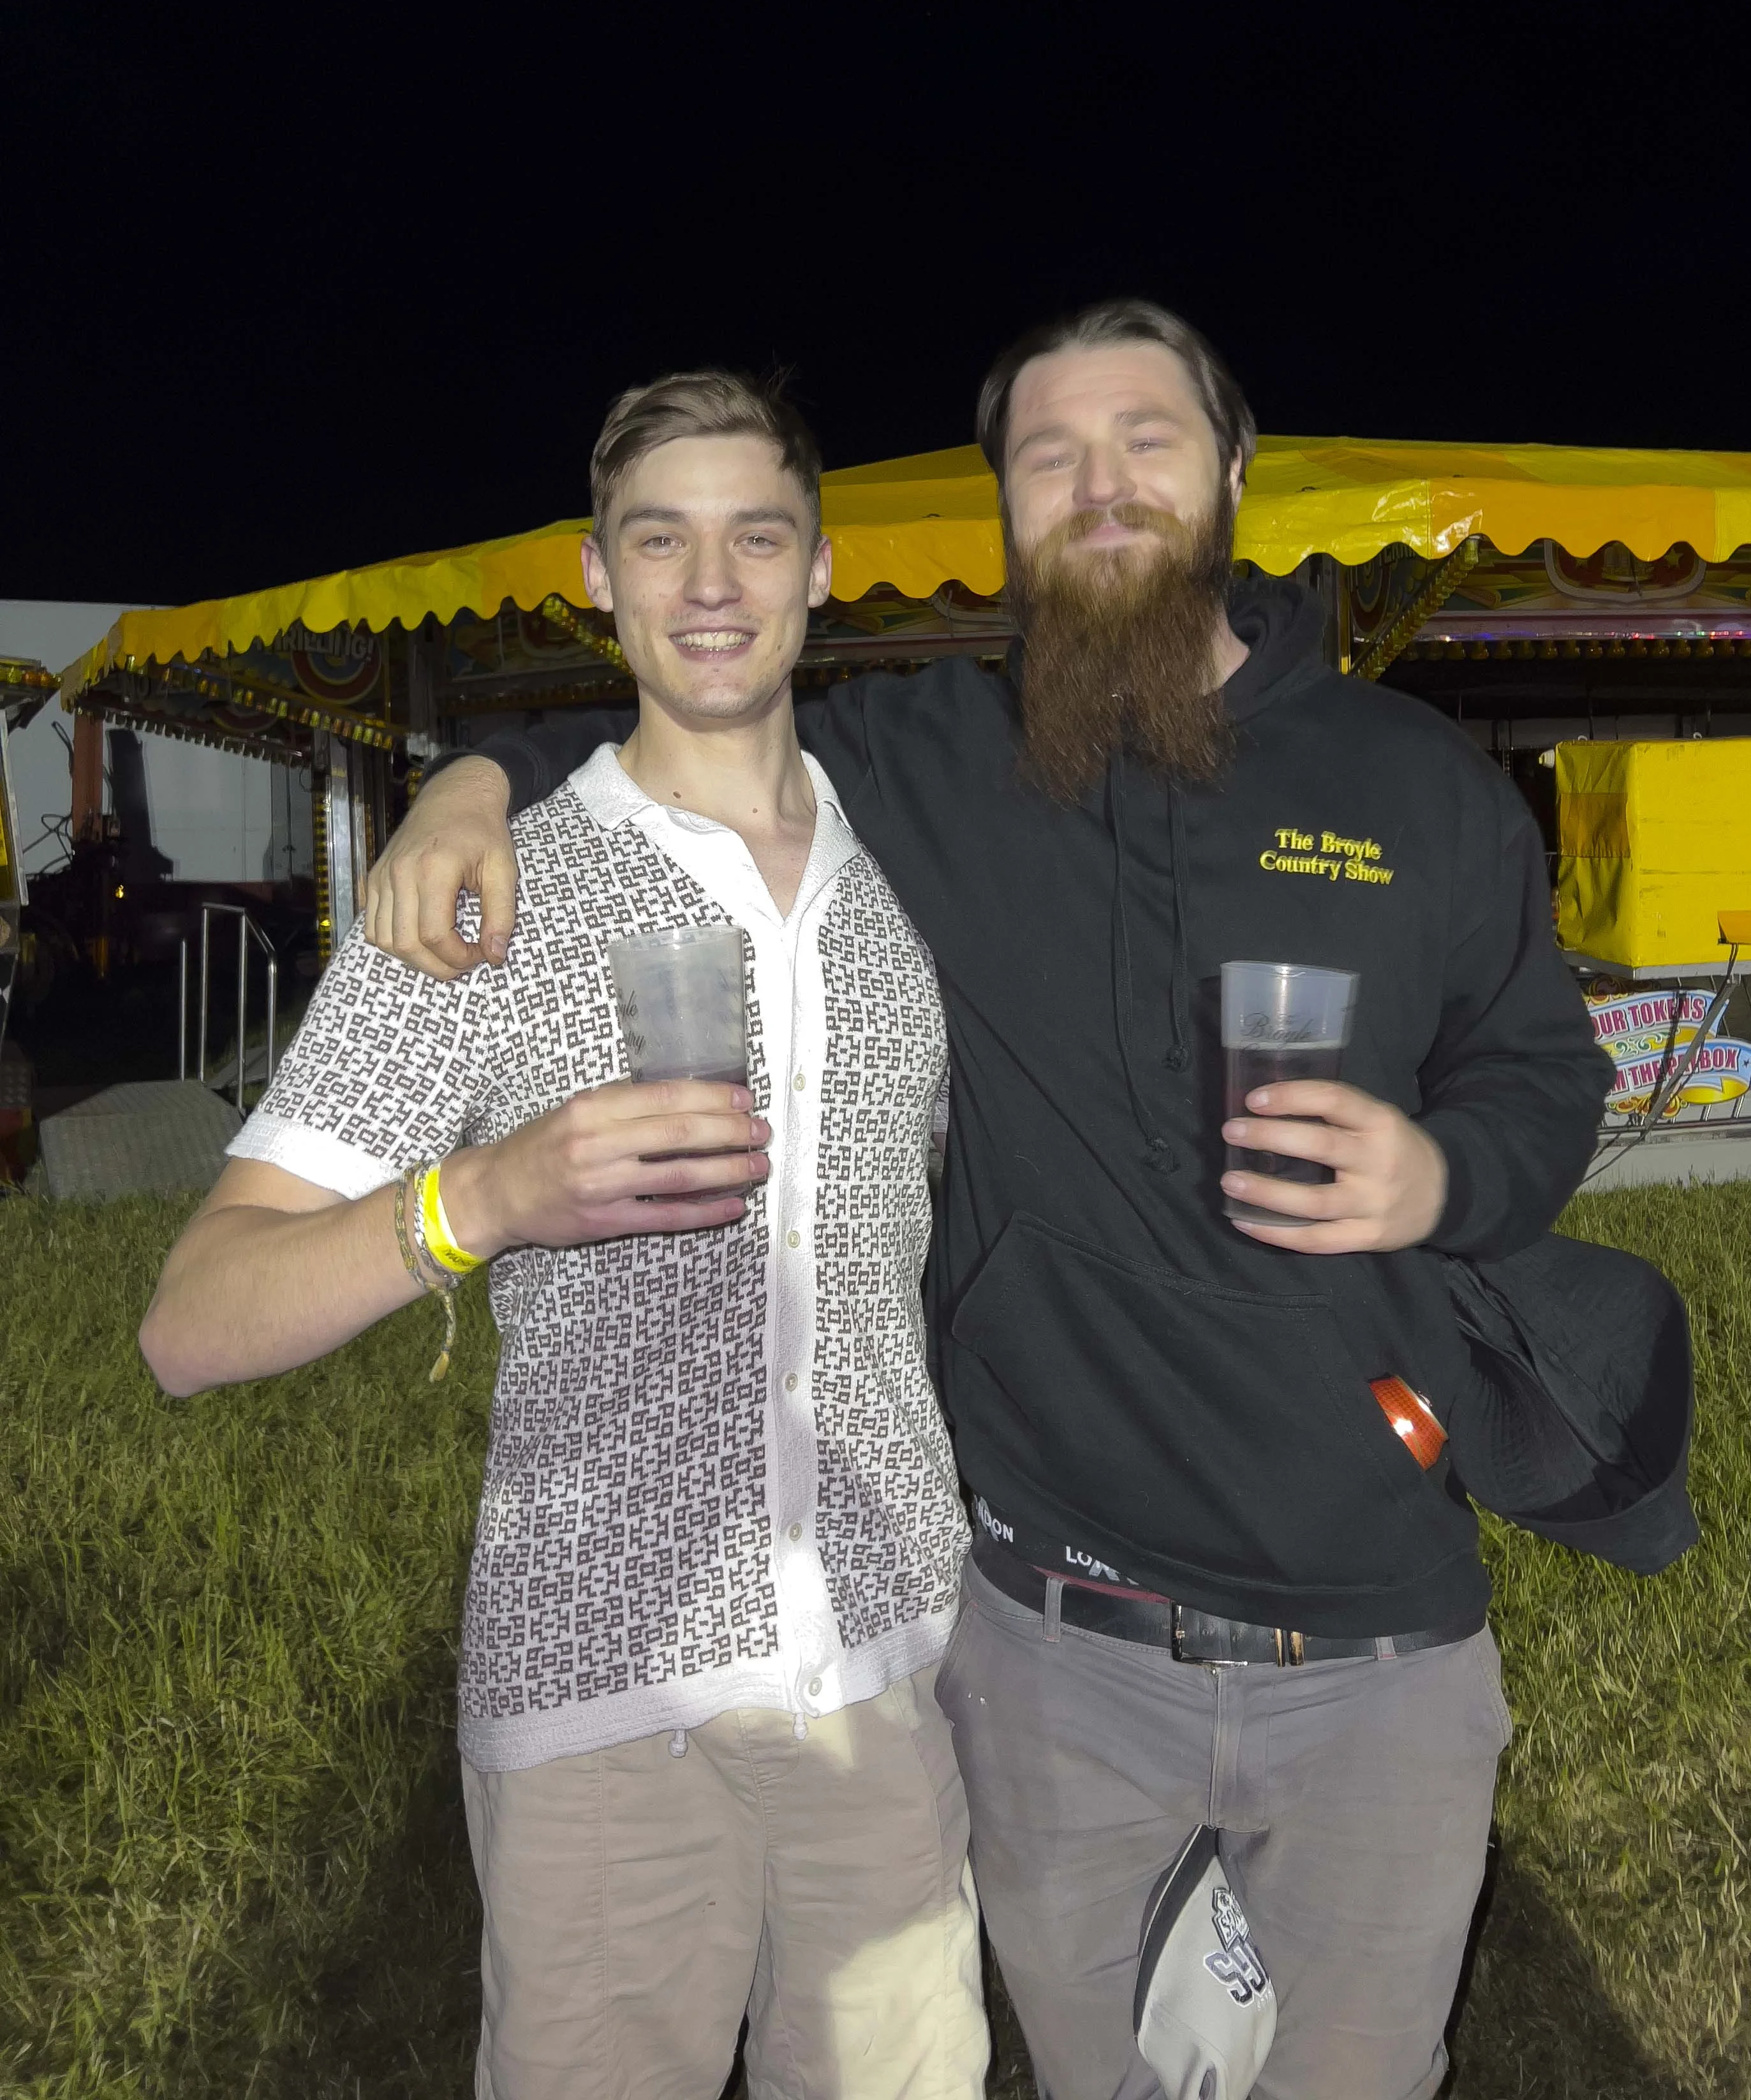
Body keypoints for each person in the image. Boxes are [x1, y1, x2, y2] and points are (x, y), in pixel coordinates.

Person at [366, 302, 1643, 2100]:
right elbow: (672, 716)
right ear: (1004, 511)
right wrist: (465, 788)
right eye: (1052, 455)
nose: (1100, 483)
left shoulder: (1412, 785)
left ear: (1232, 473)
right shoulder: (929, 764)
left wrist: (1446, 1166)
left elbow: (1543, 1068)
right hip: (1056, 1649)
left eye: (1147, 440)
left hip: (1379, 1638)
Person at [140, 373, 989, 2100]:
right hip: (607, 1711)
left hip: (892, 1688)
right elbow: (191, 1322)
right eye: (657, 538)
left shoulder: (919, 872)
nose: (710, 583)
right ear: (593, 577)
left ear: (823, 566)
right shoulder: (486, 897)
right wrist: (481, 1203)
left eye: (756, 534)